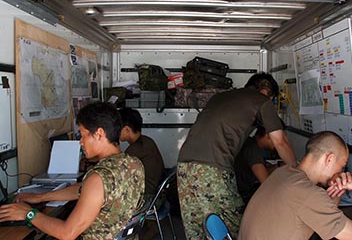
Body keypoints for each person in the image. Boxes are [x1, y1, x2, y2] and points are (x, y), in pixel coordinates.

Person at [0, 102, 145, 240]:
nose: (80, 142)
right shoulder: (133, 164)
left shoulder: (99, 177)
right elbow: (84, 190)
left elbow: (67, 233)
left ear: (99, 134)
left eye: (82, 135)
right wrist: (41, 197)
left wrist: (27, 213)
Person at [177, 72, 297, 239]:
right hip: (212, 169)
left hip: (183, 167)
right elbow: (280, 141)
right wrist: (297, 172)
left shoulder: (220, 98)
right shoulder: (261, 101)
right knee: (235, 225)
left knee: (195, 227)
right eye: (272, 100)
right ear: (265, 92)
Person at [239, 131, 352, 240]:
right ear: (329, 159)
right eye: (341, 166)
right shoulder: (309, 194)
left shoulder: (283, 173)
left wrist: (338, 188)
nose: (341, 172)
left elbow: (323, 217)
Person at [118, 107, 165, 202]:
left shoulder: (135, 150)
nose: (114, 132)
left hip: (148, 198)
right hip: (158, 195)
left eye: (117, 128)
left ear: (127, 129)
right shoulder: (147, 141)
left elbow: (118, 174)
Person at [234, 127, 276, 205]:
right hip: (243, 193)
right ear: (268, 136)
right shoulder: (253, 148)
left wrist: (276, 167)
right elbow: (264, 180)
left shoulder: (248, 141)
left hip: (239, 187)